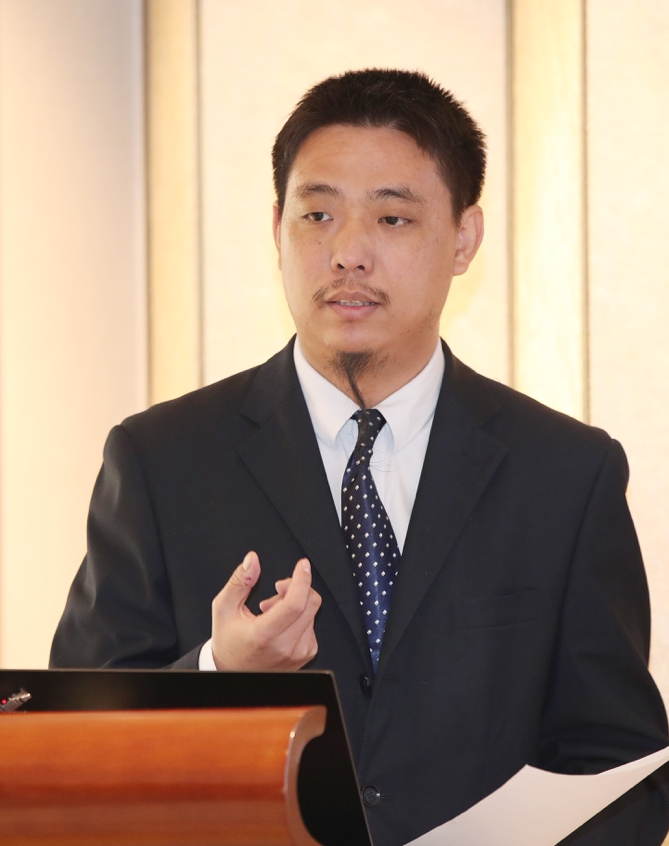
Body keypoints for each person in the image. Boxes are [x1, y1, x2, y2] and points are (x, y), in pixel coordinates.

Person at [50, 69, 669, 845]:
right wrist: (218, 672)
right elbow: (69, 750)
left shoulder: (566, 474)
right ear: (276, 228)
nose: (347, 254)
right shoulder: (160, 459)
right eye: (316, 215)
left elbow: (618, 768)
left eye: (391, 218)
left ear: (464, 239)